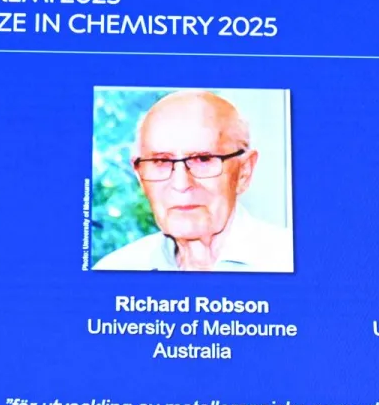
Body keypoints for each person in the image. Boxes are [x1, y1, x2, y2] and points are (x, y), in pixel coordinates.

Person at [93, 91, 292, 272]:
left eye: (202, 160)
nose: (181, 184)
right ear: (140, 176)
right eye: (160, 161)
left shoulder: (289, 261)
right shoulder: (115, 270)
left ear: (244, 172)